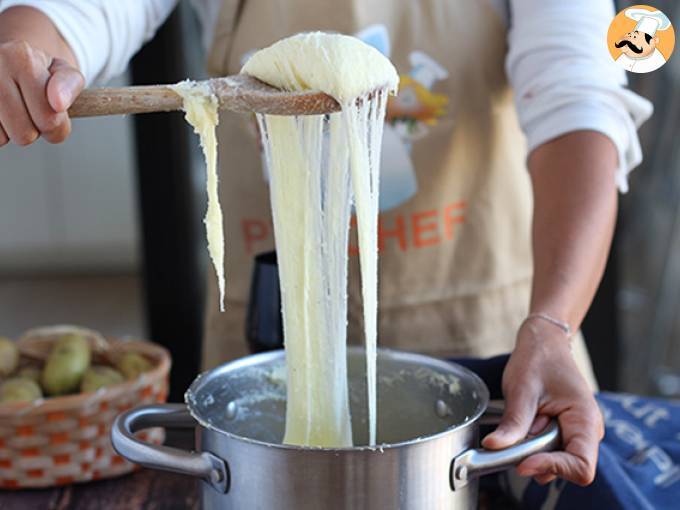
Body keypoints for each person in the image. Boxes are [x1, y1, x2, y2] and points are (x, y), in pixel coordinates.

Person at [0, 0, 654, 488]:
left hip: (500, 365)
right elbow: (79, 12)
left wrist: (551, 323)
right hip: (267, 356)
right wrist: (23, 54)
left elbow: (579, 101)